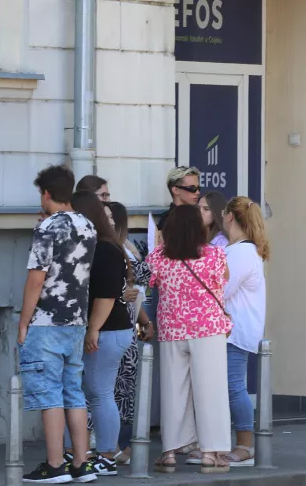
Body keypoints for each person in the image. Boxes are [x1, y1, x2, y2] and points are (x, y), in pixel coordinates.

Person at [19, 165, 99, 483]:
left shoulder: (48, 227)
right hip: (76, 320)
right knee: (73, 392)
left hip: (46, 321)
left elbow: (36, 278)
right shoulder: (88, 226)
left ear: (46, 194)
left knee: (48, 392)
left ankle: (55, 465)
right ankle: (81, 463)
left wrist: (24, 321)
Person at [147, 205, 233, 473]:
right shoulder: (215, 255)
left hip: (172, 329)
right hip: (208, 329)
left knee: (173, 390)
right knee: (211, 390)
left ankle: (170, 452)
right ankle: (211, 453)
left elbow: (151, 280)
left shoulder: (159, 257)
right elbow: (225, 280)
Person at [62, 193, 136, 476]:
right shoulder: (105, 245)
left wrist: (92, 329)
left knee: (99, 392)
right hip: (110, 329)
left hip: (107, 330)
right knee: (95, 392)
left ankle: (106, 454)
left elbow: (105, 296)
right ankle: (100, 452)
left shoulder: (103, 248)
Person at [221, 197, 270, 465]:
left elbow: (222, 290)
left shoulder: (239, 253)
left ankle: (245, 446)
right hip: (235, 329)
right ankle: (237, 443)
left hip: (235, 331)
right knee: (231, 386)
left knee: (234, 386)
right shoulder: (242, 250)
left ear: (230, 217)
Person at [107, 202, 155, 467]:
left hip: (125, 326)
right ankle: (111, 446)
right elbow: (144, 274)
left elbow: (138, 287)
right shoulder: (115, 249)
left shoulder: (121, 248)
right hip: (115, 327)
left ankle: (117, 445)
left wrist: (145, 320)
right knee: (113, 391)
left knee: (120, 391)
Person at [156, 166, 202, 234]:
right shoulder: (169, 220)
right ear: (176, 190)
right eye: (192, 188)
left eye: (198, 188)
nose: (198, 192)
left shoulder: (198, 215)